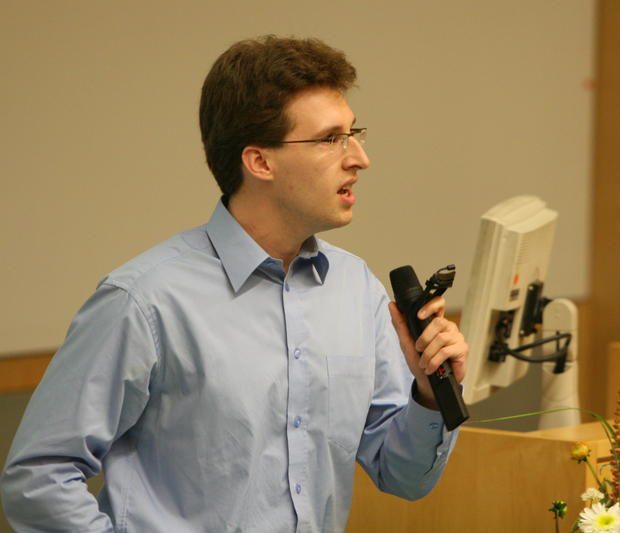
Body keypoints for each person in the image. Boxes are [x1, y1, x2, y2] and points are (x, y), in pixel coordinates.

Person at [1, 35, 468, 533]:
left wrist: (427, 394)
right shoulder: (143, 301)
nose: (359, 158)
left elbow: (403, 476)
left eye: (354, 133)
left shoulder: (356, 289)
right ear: (260, 162)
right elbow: (39, 480)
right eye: (330, 139)